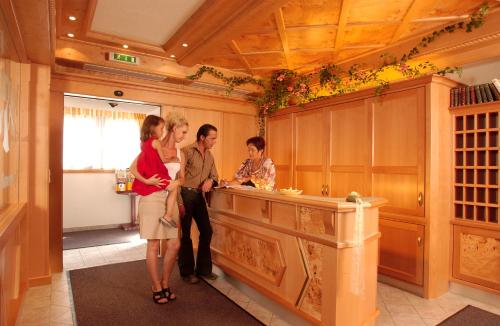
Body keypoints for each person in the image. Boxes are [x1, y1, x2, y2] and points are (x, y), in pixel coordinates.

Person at [130, 114, 184, 304]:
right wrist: (147, 180)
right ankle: (156, 286)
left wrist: (177, 185)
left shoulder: (180, 152)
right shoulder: (153, 145)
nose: (184, 136)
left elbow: (181, 178)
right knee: (153, 244)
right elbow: (133, 167)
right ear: (172, 128)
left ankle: (165, 281)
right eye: (183, 131)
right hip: (152, 197)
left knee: (174, 244)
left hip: (170, 198)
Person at [178, 124, 219, 284]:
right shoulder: (185, 151)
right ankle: (186, 272)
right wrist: (179, 202)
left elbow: (215, 175)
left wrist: (210, 180)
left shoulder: (210, 156)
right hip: (185, 194)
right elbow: (177, 179)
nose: (214, 141)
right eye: (212, 138)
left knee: (207, 231)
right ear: (202, 137)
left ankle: (203, 270)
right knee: (186, 234)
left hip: (199, 197)